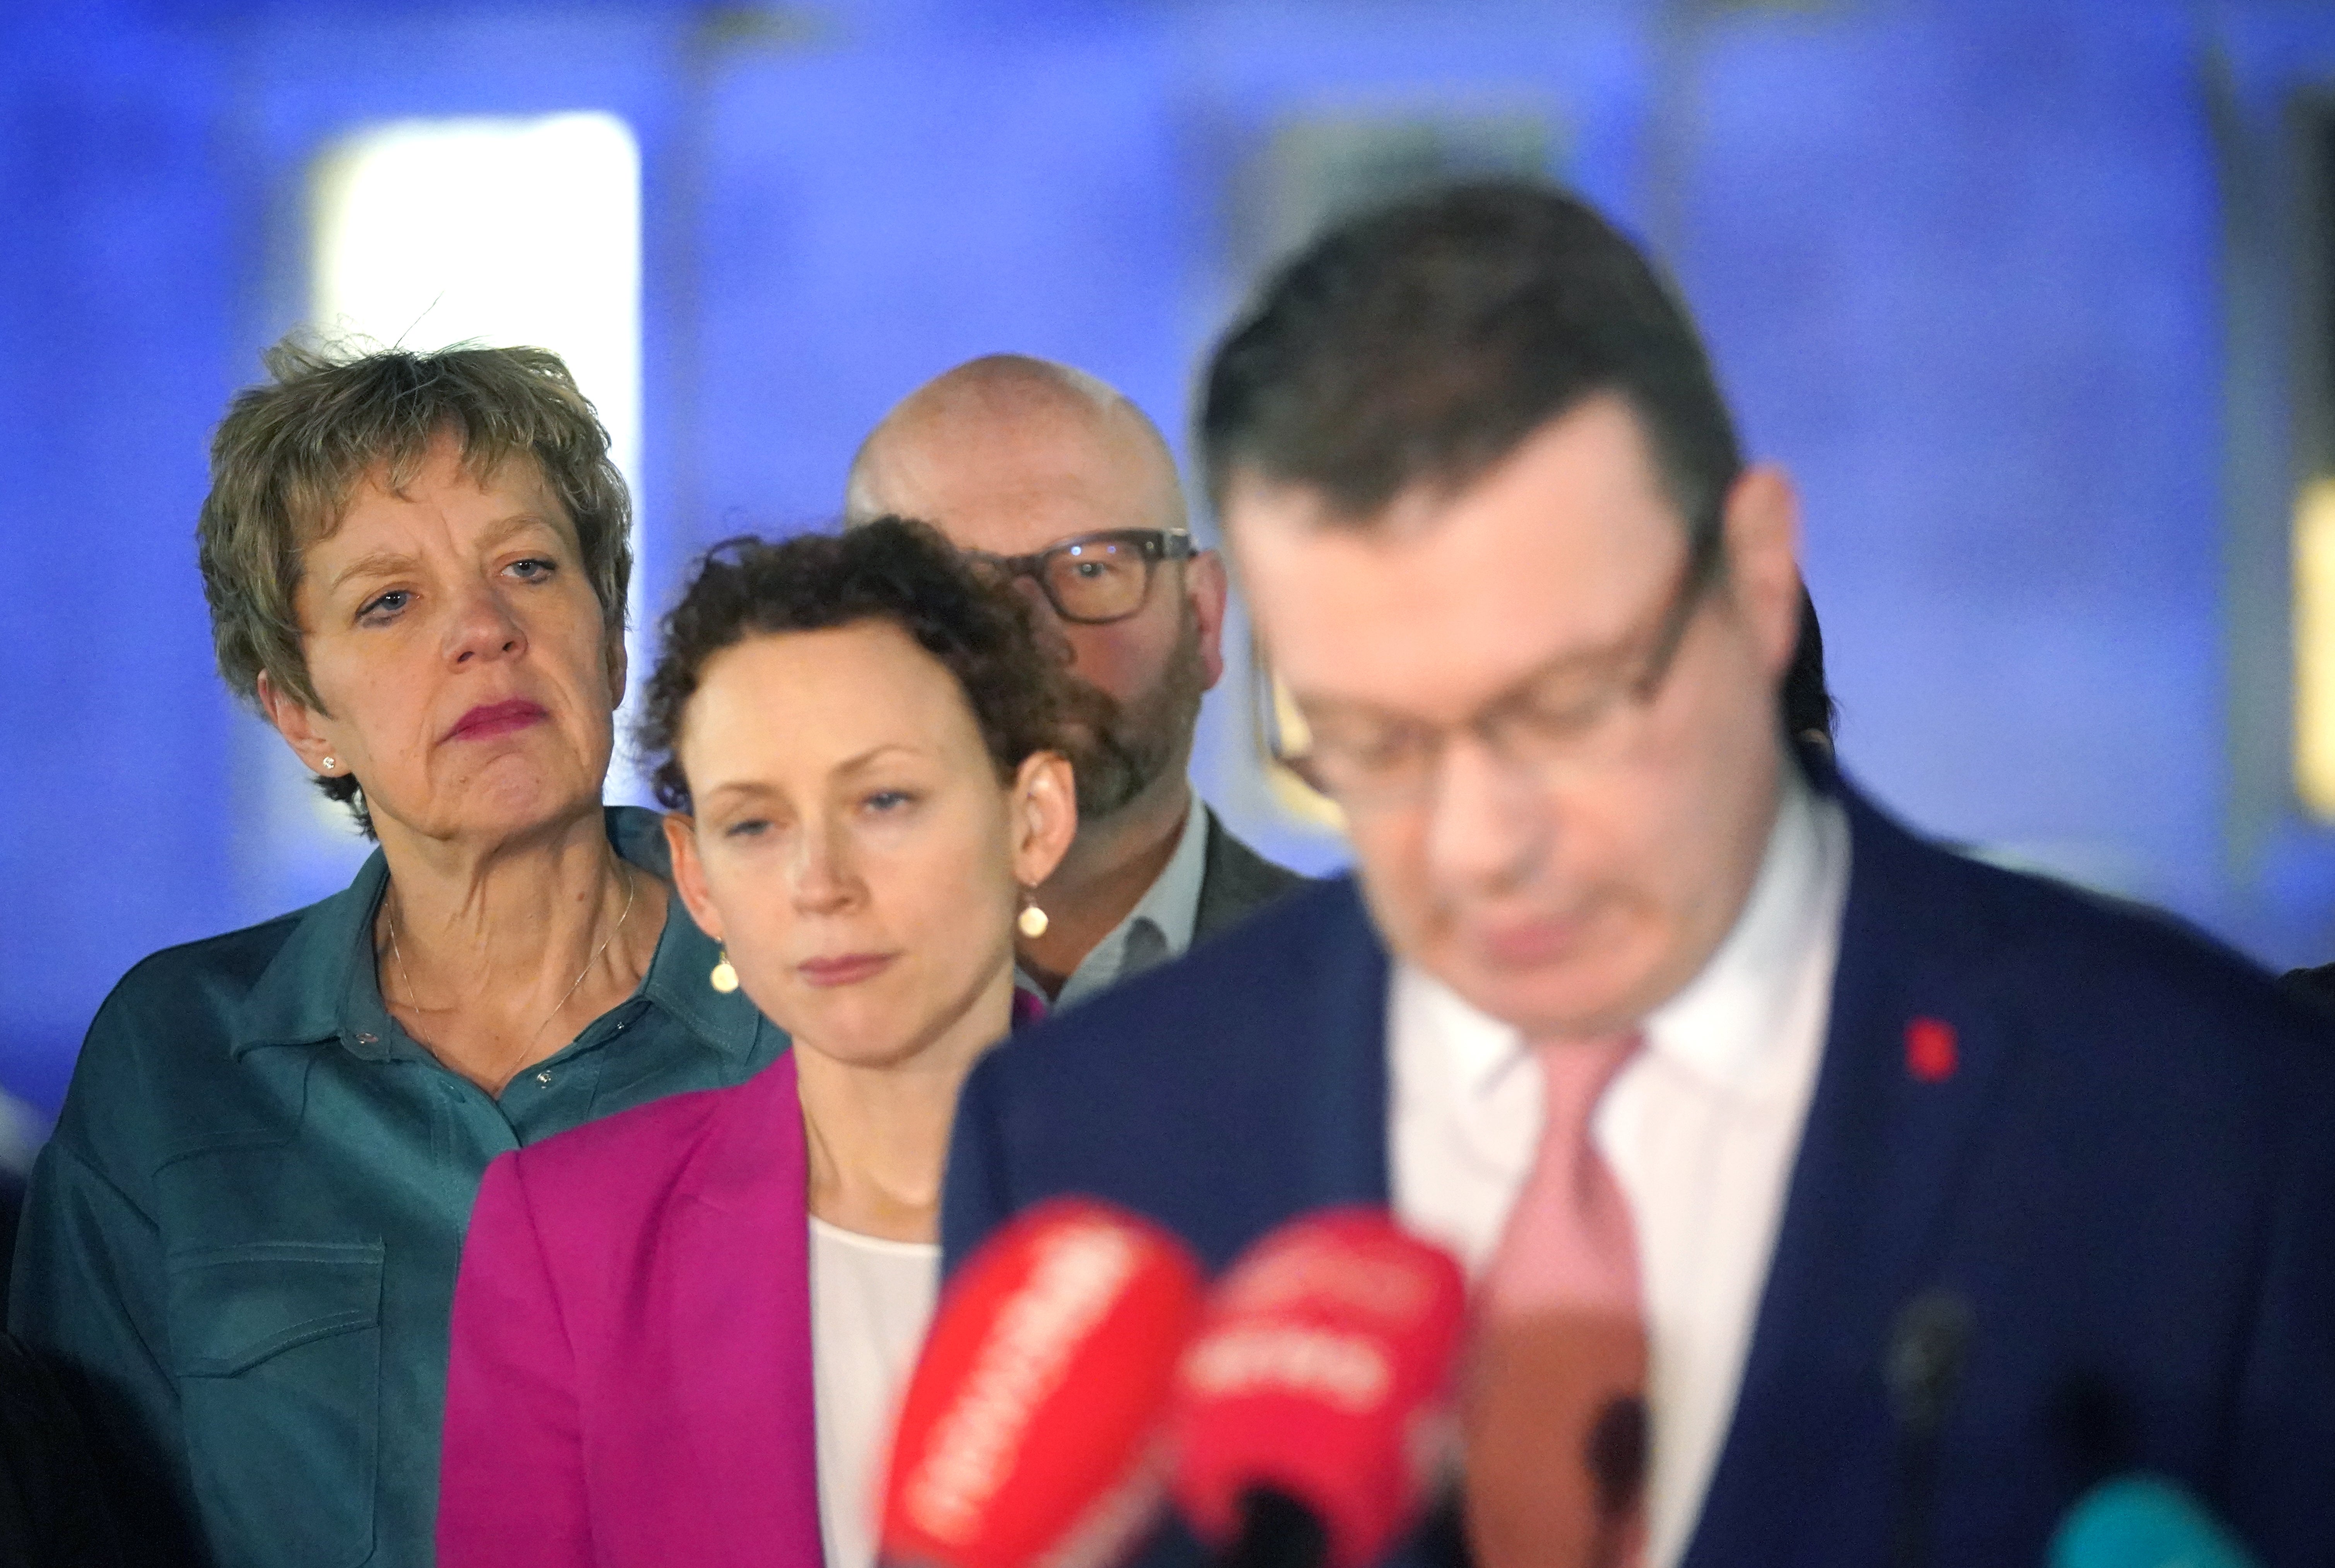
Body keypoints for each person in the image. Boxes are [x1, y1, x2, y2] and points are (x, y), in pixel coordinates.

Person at [943, 181, 2335, 1567]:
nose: (1484, 840)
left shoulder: (2206, 1118)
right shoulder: (1078, 1145)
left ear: (1753, 573)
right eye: (1369, 740)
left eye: (1567, 704)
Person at [7, 342, 783, 1568]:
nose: (485, 629)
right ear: (301, 712)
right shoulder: (177, 1060)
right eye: (389, 600)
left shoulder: (816, 995)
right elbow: (73, 1524)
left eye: (530, 566)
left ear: (613, 636)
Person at [436, 519, 1077, 1568]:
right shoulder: (570, 1234)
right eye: (754, 823)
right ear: (695, 876)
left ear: (1034, 819)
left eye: (883, 800)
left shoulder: (1208, 1191)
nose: (820, 881)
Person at [846, 355, 1305, 1005]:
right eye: (953, 587)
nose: (1029, 637)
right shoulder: (752, 1009)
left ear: (1203, 621)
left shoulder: (1383, 1001)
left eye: (1091, 569)